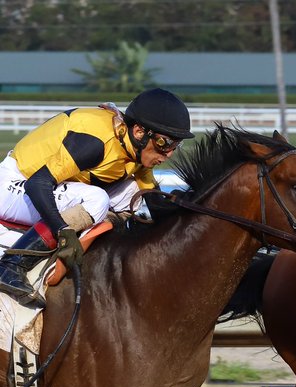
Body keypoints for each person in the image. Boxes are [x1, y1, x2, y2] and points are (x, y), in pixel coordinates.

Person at [0, 87, 194, 308]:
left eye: (175, 146)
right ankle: (12, 265)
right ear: (140, 132)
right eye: (164, 143)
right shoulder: (95, 144)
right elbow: (38, 184)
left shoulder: (134, 150)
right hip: (15, 186)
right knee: (97, 198)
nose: (168, 153)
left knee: (132, 192)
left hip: (48, 185)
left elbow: (154, 200)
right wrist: (62, 231)